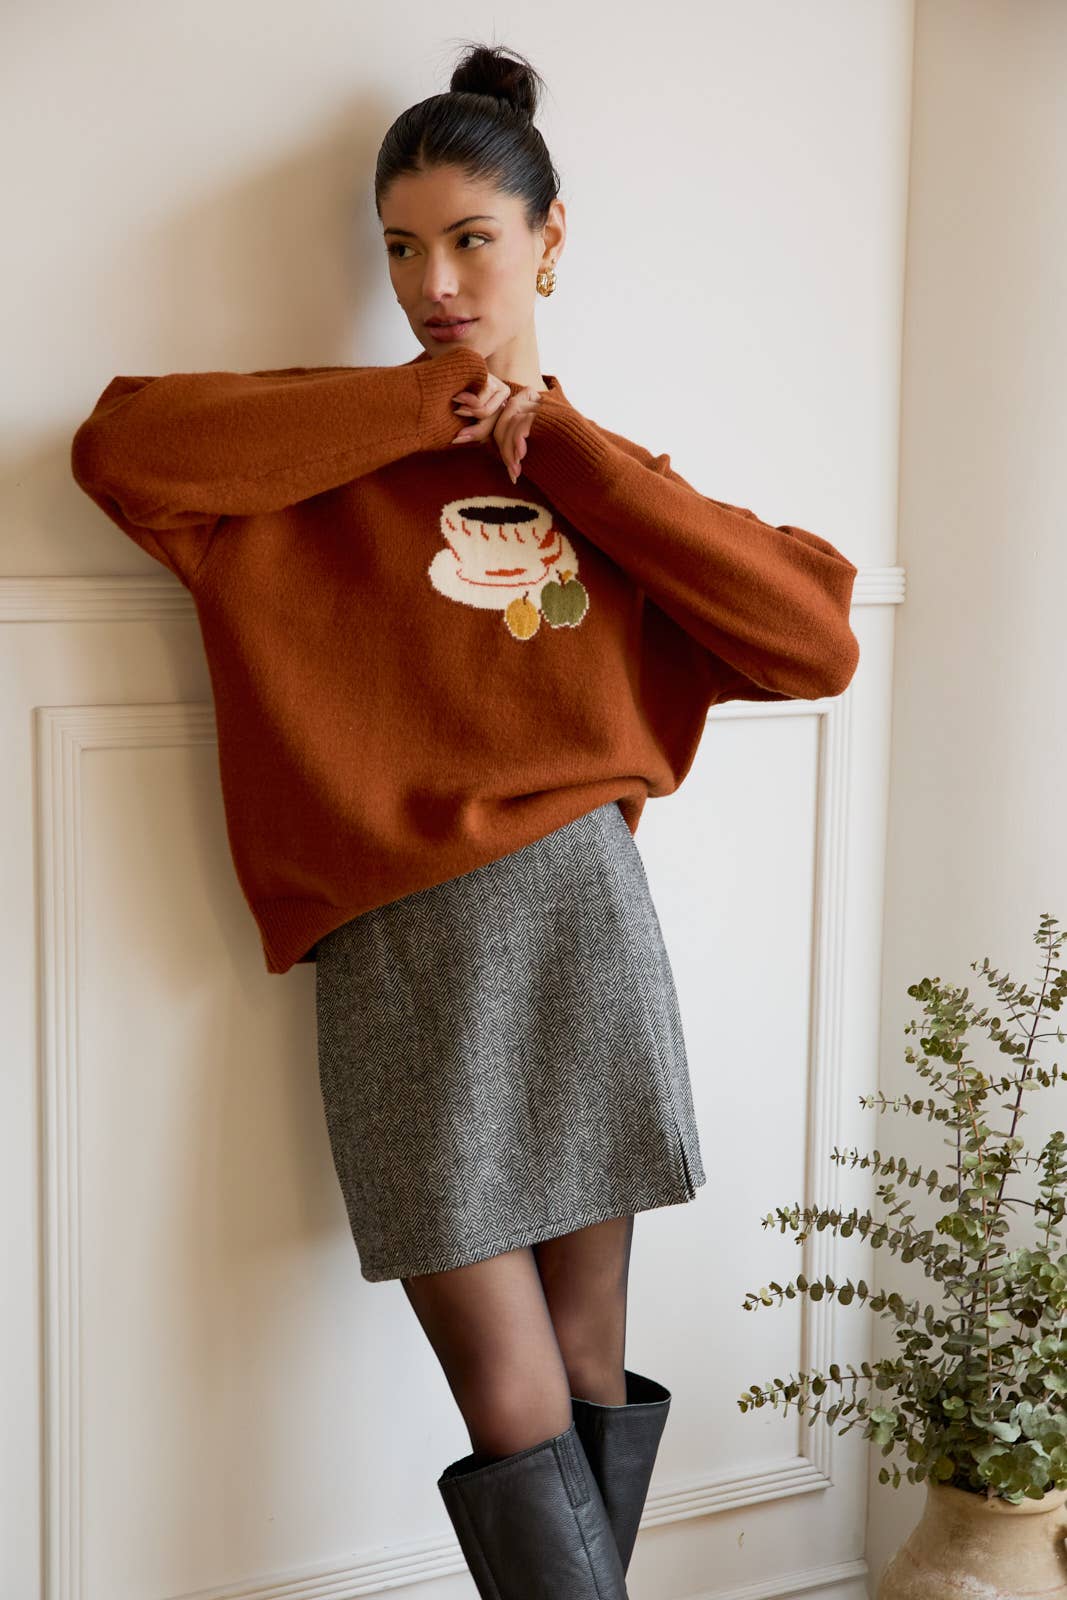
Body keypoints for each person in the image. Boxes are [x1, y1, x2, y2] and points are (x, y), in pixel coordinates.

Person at [70, 39, 861, 1600]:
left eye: (472, 239)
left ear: (551, 243)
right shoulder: (317, 456)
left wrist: (558, 442)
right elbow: (120, 447)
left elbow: (816, 639)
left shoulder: (601, 478)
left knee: (579, 1363)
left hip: (579, 917)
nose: (435, 278)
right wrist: (429, 400)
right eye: (402, 248)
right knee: (509, 1398)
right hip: (405, 944)